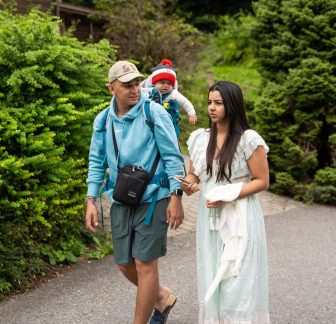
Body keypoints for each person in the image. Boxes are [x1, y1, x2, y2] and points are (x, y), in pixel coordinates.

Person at [85, 60, 185, 324]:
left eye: (135, 84)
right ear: (111, 88)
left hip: (154, 198)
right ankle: (162, 297)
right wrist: (91, 199)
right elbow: (97, 161)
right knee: (124, 263)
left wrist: (176, 196)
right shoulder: (103, 120)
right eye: (126, 85)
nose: (133, 89)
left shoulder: (153, 113)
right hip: (120, 198)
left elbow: (173, 157)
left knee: (145, 264)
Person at [181, 80, 270, 323]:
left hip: (241, 216)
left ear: (232, 105)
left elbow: (262, 181)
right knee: (213, 274)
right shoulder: (200, 138)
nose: (211, 107)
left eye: (218, 103)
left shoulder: (248, 139)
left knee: (238, 278)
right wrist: (187, 184)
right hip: (208, 218)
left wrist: (227, 194)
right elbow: (193, 174)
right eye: (210, 102)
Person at [142, 58, 197, 130]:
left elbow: (184, 102)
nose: (166, 85)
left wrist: (191, 113)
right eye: (162, 83)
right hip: (150, 122)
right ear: (154, 84)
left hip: (168, 123)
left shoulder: (173, 94)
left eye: (169, 84)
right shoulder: (148, 91)